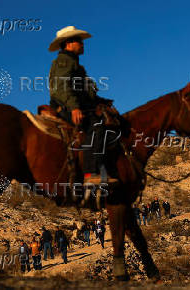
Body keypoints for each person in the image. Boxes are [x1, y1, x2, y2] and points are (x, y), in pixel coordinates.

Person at [48, 26, 118, 185]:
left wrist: (100, 101)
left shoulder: (74, 63)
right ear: (68, 43)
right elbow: (60, 87)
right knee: (96, 125)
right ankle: (90, 174)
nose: (82, 44)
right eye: (78, 41)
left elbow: (83, 92)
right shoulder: (65, 61)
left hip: (75, 105)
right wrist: (74, 107)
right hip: (66, 106)